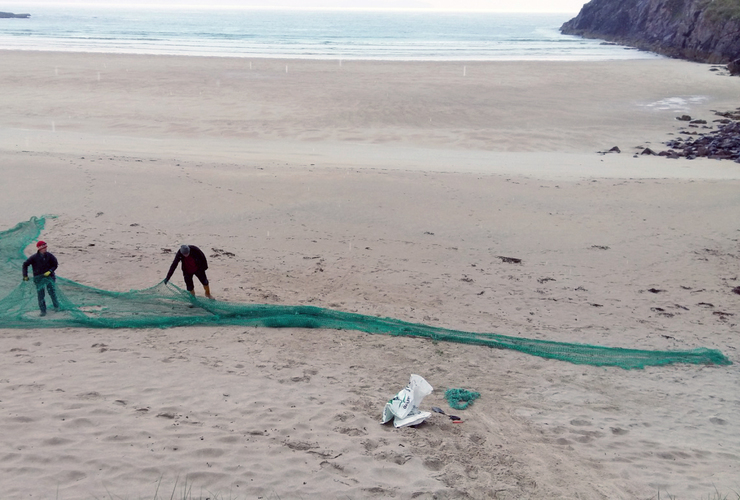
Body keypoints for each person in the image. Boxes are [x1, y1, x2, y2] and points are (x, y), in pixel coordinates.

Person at [22, 240, 60, 316]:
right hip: (38, 278)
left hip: (50, 277)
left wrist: (50, 271)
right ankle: (43, 311)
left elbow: (55, 264)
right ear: (39, 248)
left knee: (52, 292)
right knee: (41, 295)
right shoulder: (34, 257)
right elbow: (25, 265)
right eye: (43, 248)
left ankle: (56, 307)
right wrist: (25, 275)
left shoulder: (50, 256)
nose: (45, 249)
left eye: (46, 247)